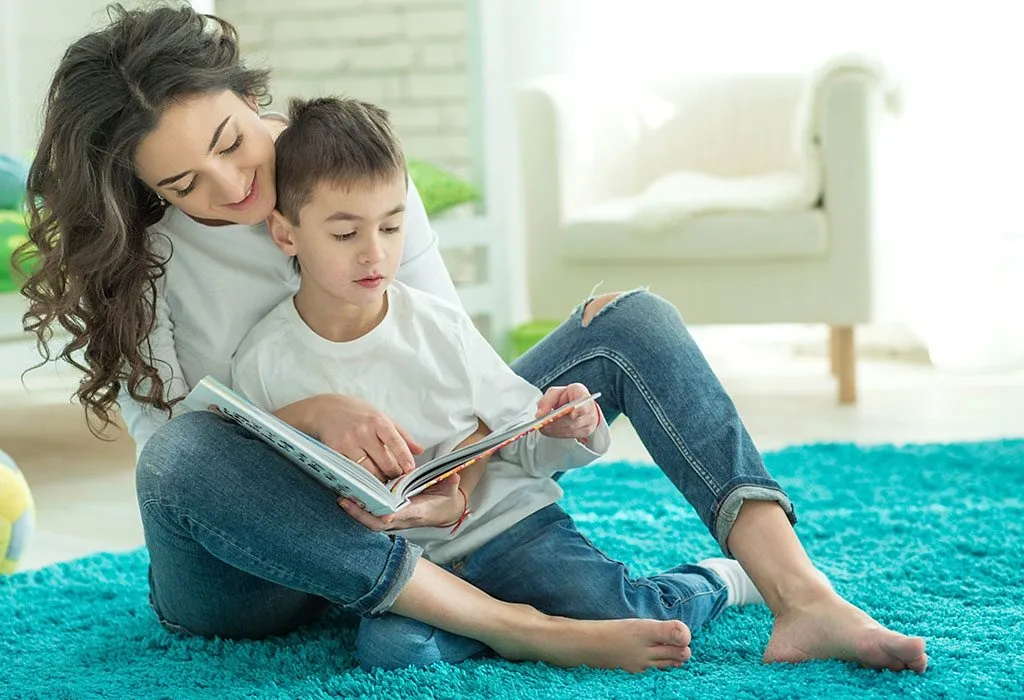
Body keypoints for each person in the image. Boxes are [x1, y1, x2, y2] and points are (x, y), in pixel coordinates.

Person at [15, 2, 927, 674]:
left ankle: (797, 593)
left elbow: (444, 354)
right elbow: (192, 473)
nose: (228, 186)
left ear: (248, 94)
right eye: (183, 183)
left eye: (229, 139)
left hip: (414, 511)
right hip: (253, 577)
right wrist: (311, 414)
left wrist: (460, 474)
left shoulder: (353, 169)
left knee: (632, 322)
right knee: (177, 459)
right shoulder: (147, 260)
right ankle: (516, 625)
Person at [231, 95, 767, 669]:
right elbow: (259, 484)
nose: (375, 253)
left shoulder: (435, 325)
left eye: (391, 227)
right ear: (286, 235)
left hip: (511, 528)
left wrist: (569, 424)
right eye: (345, 234)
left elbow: (524, 438)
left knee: (636, 616)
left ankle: (711, 581)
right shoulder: (265, 359)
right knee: (394, 655)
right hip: (415, 572)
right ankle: (523, 627)